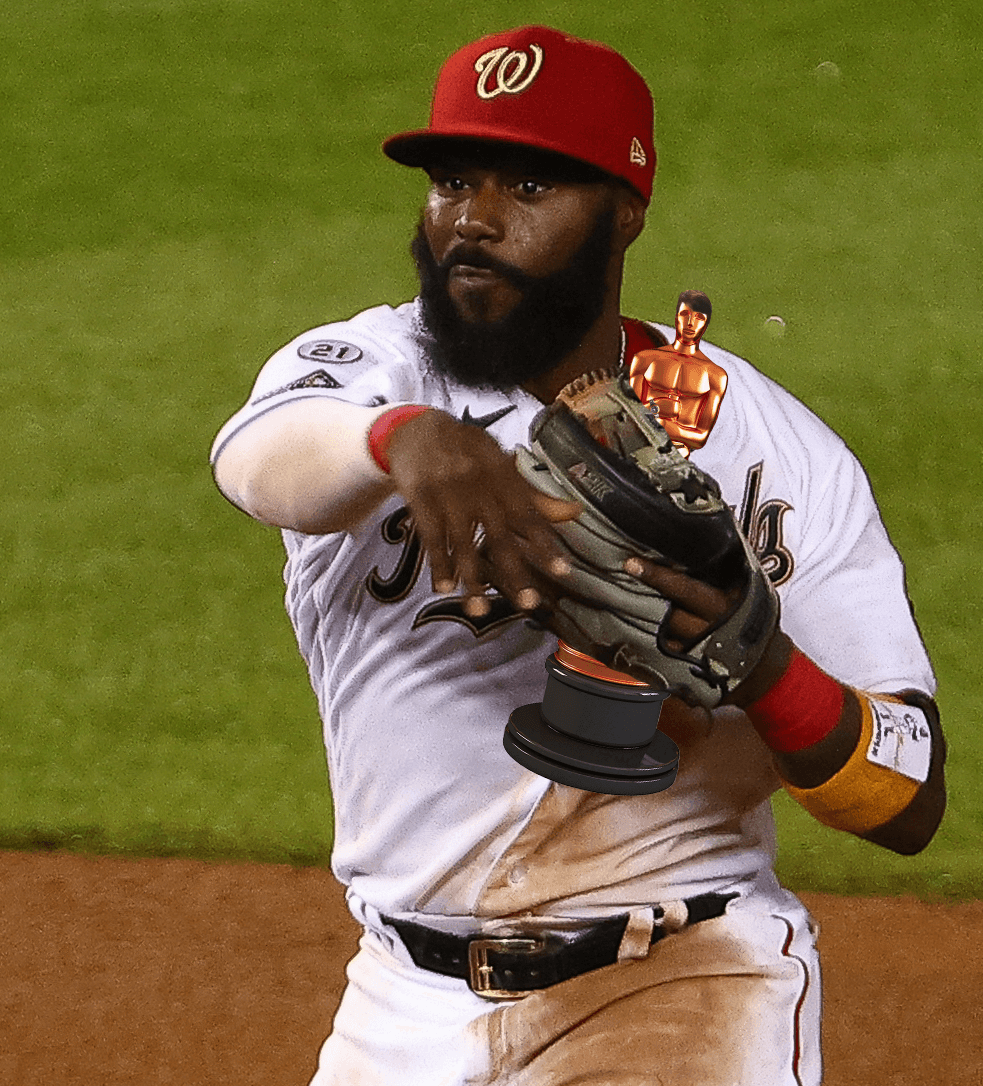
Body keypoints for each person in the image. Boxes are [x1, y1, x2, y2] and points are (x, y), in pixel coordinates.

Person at [210, 24, 945, 1086]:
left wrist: (767, 671)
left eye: (529, 187)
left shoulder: (769, 452)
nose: (473, 219)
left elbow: (907, 793)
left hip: (685, 982)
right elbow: (256, 461)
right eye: (453, 179)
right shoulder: (368, 372)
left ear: (625, 213)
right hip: (399, 1007)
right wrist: (402, 440)